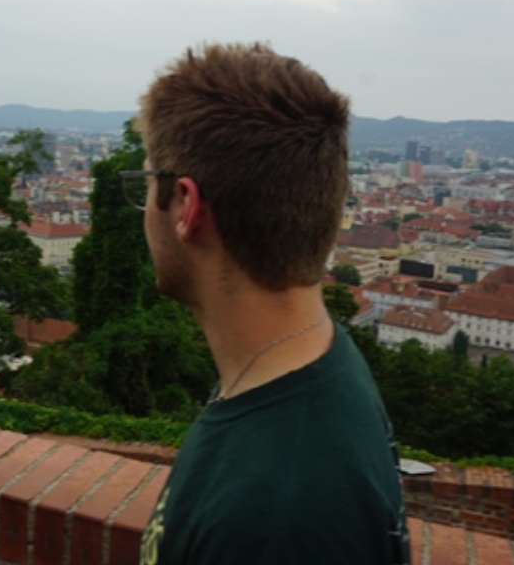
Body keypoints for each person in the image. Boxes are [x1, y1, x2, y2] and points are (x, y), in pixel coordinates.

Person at [122, 43, 410, 565]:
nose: (144, 207)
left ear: (185, 206)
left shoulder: (274, 518)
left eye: (146, 183)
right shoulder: (310, 362)